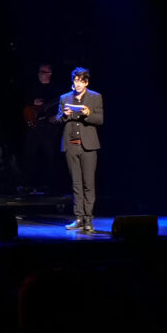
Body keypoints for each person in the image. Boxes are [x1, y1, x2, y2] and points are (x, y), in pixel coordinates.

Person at [56, 67, 104, 232]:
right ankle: (79, 218)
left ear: (86, 82)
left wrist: (87, 113)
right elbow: (57, 119)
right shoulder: (64, 98)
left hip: (88, 146)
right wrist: (64, 114)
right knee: (76, 184)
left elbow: (100, 119)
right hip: (71, 146)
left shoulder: (95, 97)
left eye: (81, 81)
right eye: (76, 80)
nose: (78, 84)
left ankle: (89, 219)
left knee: (88, 184)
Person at [21, 63, 61, 193]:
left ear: (49, 74)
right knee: (30, 154)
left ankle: (50, 185)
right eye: (39, 71)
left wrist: (56, 115)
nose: (40, 74)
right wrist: (33, 102)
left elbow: (60, 106)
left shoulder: (55, 89)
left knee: (49, 155)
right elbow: (23, 100)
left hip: (48, 127)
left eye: (43, 72)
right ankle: (29, 183)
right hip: (34, 126)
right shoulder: (33, 87)